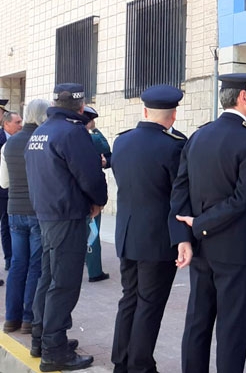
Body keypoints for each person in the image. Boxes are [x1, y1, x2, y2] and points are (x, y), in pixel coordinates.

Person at [169, 72, 246, 373]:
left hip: (200, 247)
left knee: (198, 321)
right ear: (243, 97)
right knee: (232, 328)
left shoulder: (198, 135)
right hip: (233, 248)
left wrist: (185, 237)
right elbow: (242, 199)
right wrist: (198, 225)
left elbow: (179, 191)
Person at [26, 83, 107, 371]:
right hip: (67, 215)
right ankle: (54, 349)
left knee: (48, 279)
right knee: (63, 284)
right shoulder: (73, 132)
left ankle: (42, 337)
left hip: (47, 215)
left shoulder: (41, 131)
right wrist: (99, 200)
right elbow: (90, 176)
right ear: (81, 106)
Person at [110, 84, 188, 373]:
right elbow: (179, 195)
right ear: (174, 115)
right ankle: (140, 366)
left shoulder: (122, 141)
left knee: (129, 298)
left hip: (127, 234)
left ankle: (121, 361)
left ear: (144, 110)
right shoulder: (174, 146)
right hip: (157, 238)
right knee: (149, 304)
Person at [1, 99, 48, 334]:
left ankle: (11, 318)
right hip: (37, 211)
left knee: (18, 264)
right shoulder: (42, 141)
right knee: (35, 266)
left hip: (14, 211)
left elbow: (4, 182)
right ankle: (29, 318)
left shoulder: (8, 145)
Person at [82, 106, 110, 283]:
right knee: (92, 233)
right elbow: (106, 146)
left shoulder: (68, 136)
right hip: (90, 195)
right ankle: (95, 271)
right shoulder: (92, 138)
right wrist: (94, 129)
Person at [1, 108, 22, 271]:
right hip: (2, 190)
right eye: (17, 122)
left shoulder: (22, 139)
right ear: (6, 123)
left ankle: (16, 258)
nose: (20, 125)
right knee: (6, 225)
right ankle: (9, 258)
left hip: (18, 192)